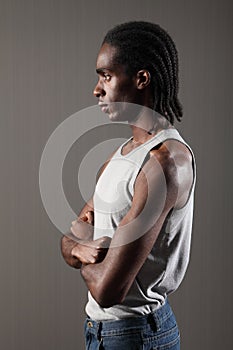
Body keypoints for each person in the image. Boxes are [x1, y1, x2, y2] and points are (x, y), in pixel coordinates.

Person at [61, 21, 196, 350]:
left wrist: (82, 250)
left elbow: (108, 291)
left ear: (141, 79)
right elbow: (69, 241)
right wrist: (81, 249)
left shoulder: (164, 164)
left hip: (135, 336)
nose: (97, 89)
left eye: (106, 76)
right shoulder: (120, 157)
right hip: (100, 332)